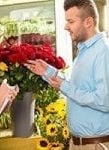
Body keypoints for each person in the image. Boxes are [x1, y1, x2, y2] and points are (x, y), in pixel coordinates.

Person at [24, 0, 109, 149]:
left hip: (96, 145)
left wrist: (65, 86)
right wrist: (48, 72)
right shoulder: (84, 50)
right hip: (78, 143)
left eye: (71, 21)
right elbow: (79, 87)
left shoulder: (103, 52)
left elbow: (104, 100)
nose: (65, 26)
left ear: (88, 22)